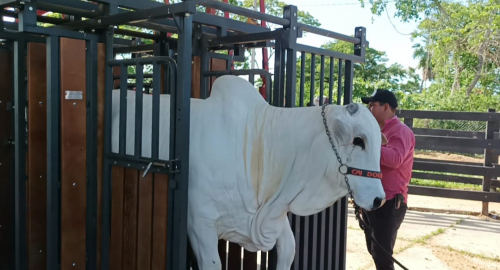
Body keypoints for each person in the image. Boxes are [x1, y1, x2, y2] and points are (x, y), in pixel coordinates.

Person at [359, 89, 415, 270]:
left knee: (382, 255)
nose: (370, 109)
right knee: (376, 251)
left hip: (390, 202)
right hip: (376, 199)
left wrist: (367, 145)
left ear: (386, 107)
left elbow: (395, 159)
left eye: (373, 105)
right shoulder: (378, 130)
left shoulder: (401, 131)